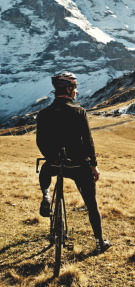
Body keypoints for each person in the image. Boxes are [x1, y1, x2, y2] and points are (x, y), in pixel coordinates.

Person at [36, 71, 111, 255]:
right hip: (79, 166)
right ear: (69, 89)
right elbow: (88, 141)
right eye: (74, 88)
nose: (76, 91)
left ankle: (46, 194)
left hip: (55, 164)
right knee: (92, 203)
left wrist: (51, 156)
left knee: (45, 172)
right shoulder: (79, 111)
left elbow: (40, 141)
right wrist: (94, 165)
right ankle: (100, 243)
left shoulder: (44, 113)